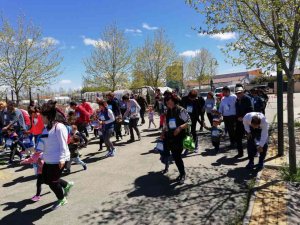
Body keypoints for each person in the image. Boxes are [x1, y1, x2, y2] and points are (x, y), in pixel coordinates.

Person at [39, 102, 73, 210]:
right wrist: (40, 156)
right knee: (46, 179)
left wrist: (62, 159)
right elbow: (43, 143)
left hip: (58, 160)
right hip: (48, 159)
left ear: (48, 116)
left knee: (53, 183)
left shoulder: (59, 127)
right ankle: (66, 185)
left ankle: (62, 199)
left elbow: (64, 144)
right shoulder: (45, 128)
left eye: (42, 116)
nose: (41, 118)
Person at [161, 93, 191, 184]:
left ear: (174, 101)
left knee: (177, 156)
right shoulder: (167, 111)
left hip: (180, 136)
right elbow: (165, 124)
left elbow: (189, 122)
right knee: (165, 152)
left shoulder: (181, 110)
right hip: (170, 136)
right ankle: (166, 166)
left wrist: (180, 128)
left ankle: (182, 174)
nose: (168, 104)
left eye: (170, 102)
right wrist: (163, 132)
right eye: (167, 103)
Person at [235, 87, 253, 158]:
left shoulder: (247, 99)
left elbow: (251, 109)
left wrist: (243, 117)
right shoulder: (237, 100)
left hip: (247, 120)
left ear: (243, 92)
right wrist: (238, 117)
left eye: (239, 93)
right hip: (239, 121)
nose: (238, 94)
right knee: (238, 137)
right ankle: (240, 153)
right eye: (236, 93)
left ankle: (251, 153)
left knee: (249, 137)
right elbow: (237, 110)